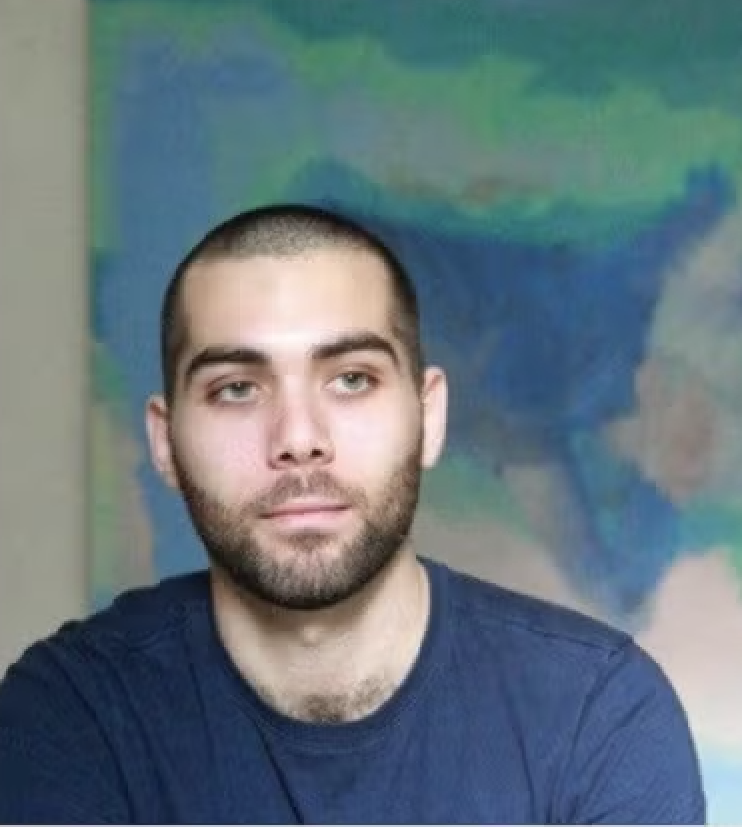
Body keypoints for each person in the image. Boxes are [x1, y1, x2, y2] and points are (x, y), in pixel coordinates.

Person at [0, 204, 705, 824]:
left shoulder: (599, 715)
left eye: (351, 379)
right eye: (238, 388)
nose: (299, 437)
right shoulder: (71, 714)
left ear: (429, 418)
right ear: (166, 443)